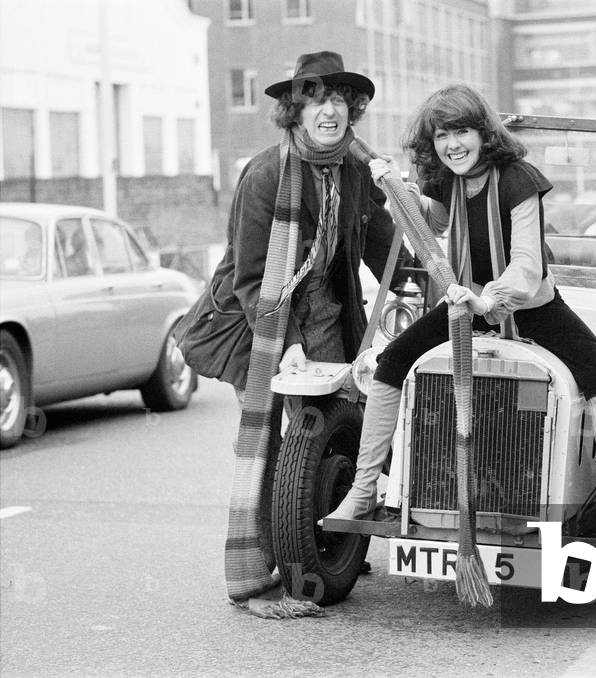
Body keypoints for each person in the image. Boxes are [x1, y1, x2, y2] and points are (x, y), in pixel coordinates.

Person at [334, 84, 596, 544]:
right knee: (390, 365)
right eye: (442, 135)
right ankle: (363, 491)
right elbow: (434, 222)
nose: (452, 145)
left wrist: (492, 299)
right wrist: (395, 189)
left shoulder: (520, 180)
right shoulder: (446, 179)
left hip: (530, 306)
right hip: (465, 303)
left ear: (483, 133)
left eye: (461, 132)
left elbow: (526, 264)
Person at [211, 51, 401, 616]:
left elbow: (383, 243)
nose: (331, 111)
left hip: (327, 311)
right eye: (318, 100)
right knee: (281, 441)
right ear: (295, 111)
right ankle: (271, 564)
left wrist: (441, 277)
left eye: (341, 101)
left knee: (341, 426)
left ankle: (329, 545)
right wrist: (287, 343)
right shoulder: (267, 174)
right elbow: (248, 278)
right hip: (257, 320)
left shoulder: (352, 170)